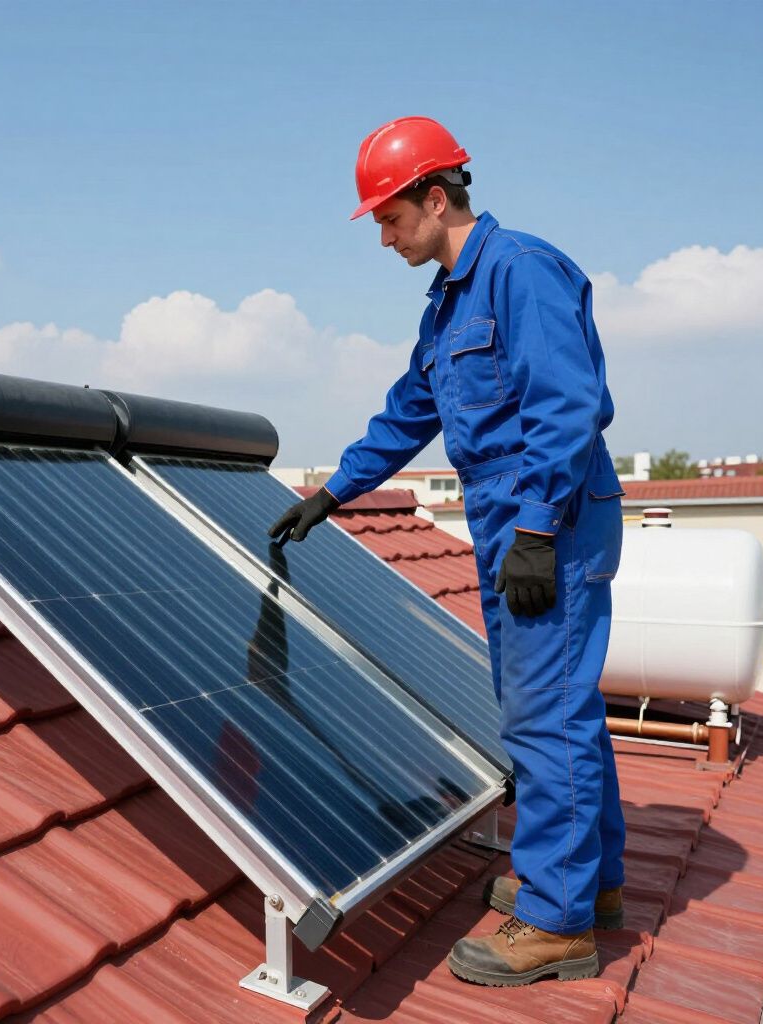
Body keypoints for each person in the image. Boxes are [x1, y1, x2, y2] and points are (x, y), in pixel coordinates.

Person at [269, 116, 627, 987]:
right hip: (511, 522)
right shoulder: (449, 302)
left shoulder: (521, 273)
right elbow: (408, 411)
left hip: (554, 520)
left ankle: (557, 924)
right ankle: (593, 885)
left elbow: (568, 408)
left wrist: (539, 530)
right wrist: (332, 491)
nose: (384, 239)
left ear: (437, 197)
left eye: (390, 220)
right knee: (552, 704)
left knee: (544, 715)